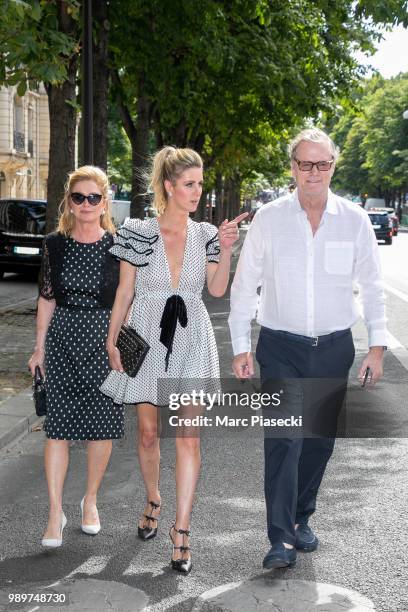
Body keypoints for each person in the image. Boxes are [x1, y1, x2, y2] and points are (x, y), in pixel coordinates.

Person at [228, 128, 388, 569]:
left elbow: (373, 288)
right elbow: (245, 286)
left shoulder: (354, 220)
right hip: (279, 346)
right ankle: (279, 539)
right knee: (284, 440)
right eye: (305, 163)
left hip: (334, 347)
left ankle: (301, 517)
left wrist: (376, 347)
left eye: (322, 163)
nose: (313, 172)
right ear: (293, 168)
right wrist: (241, 344)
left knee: (318, 441)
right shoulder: (270, 218)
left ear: (332, 166)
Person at [100, 146, 246, 574]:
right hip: (146, 333)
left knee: (188, 438)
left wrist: (228, 248)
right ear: (169, 186)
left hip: (191, 337)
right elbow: (125, 292)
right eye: (189, 184)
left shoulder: (205, 235)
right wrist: (113, 341)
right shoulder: (137, 231)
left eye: (200, 183)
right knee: (147, 434)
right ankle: (153, 497)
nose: (198, 191)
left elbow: (216, 291)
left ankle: (181, 529)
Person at [28, 166, 121, 548]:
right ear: (69, 201)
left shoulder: (118, 246)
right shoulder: (54, 244)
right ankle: (54, 512)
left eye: (93, 197)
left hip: (104, 340)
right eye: (78, 197)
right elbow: (47, 297)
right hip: (63, 338)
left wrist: (121, 346)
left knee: (101, 426)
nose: (86, 204)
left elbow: (124, 301)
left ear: (104, 202)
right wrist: (38, 348)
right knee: (58, 428)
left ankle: (91, 500)